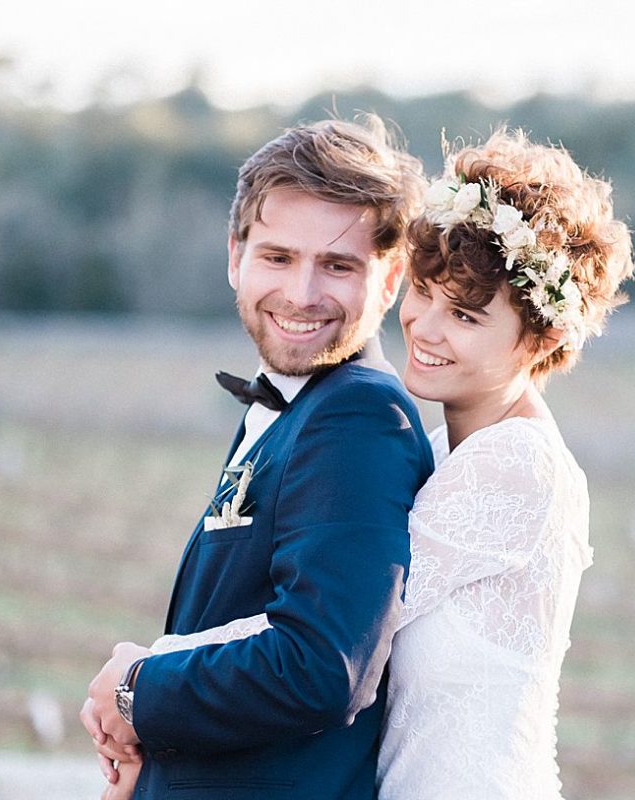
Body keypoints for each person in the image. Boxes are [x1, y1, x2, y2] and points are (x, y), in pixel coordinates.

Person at [104, 128, 635, 799]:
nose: (426, 328)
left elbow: (331, 634)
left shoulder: (514, 466)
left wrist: (139, 676)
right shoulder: (451, 451)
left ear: (544, 336)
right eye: (426, 293)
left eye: (467, 317)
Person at [79, 116, 434, 800]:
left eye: (337, 265)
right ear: (235, 255)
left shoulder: (359, 418)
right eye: (278, 257)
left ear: (389, 280)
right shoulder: (293, 404)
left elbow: (321, 667)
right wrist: (152, 746)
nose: (302, 295)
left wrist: (136, 688)